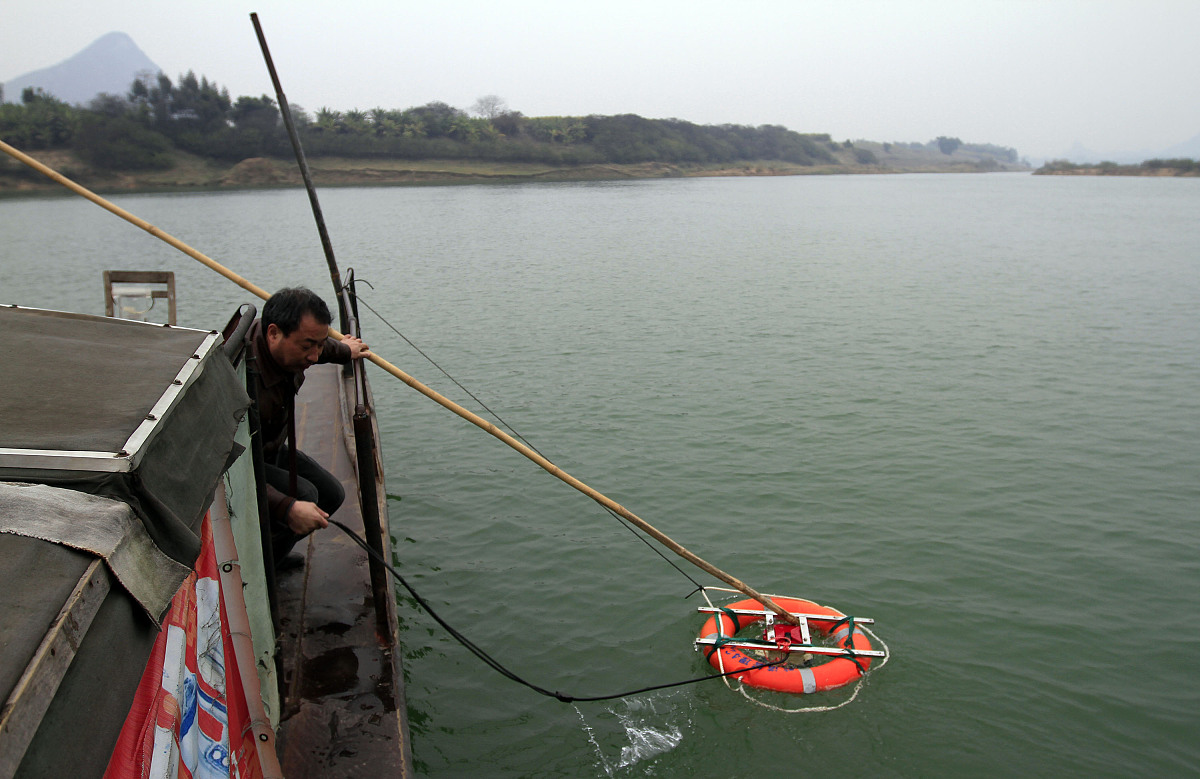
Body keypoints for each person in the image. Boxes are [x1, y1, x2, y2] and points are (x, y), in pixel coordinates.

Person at [247, 287, 369, 567]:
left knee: (331, 494)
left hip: (269, 446)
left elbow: (320, 348)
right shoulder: (240, 379)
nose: (314, 357)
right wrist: (286, 507)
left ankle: (271, 555)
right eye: (306, 347)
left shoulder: (278, 343)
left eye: (319, 344)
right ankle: (256, 571)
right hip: (242, 462)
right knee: (305, 496)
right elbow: (223, 470)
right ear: (274, 333)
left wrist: (345, 351)